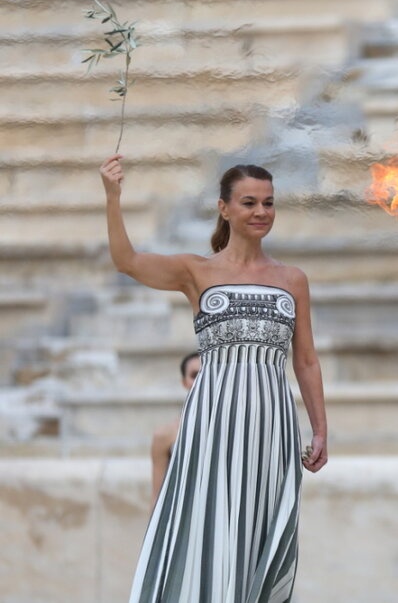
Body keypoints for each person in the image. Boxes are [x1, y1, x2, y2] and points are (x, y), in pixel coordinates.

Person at [100, 154, 329, 602]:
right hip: (213, 422)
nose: (261, 212)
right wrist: (113, 197)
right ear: (224, 208)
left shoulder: (292, 279)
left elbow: (305, 361)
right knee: (210, 530)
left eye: (268, 203)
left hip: (272, 428)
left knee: (261, 533)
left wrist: (320, 429)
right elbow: (126, 261)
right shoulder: (196, 271)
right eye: (249, 202)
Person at [148, 351, 200, 509]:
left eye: (206, 373)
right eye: (194, 375)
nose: (200, 380)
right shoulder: (164, 435)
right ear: (184, 382)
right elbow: (157, 496)